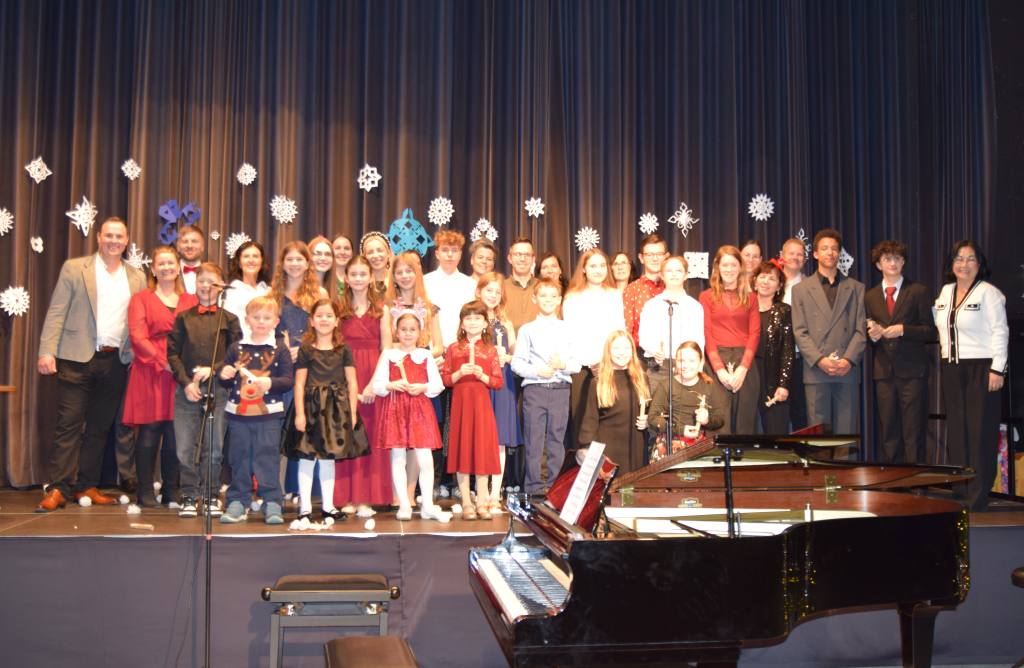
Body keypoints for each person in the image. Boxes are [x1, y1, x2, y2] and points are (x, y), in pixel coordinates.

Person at [36, 217, 148, 512]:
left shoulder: (137, 277)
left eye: (119, 236)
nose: (114, 241)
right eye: (109, 235)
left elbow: (139, 322)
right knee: (69, 424)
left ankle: (86, 485)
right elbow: (57, 311)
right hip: (76, 358)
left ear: (127, 241)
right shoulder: (75, 268)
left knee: (99, 428)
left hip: (115, 361)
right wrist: (47, 351)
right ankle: (59, 488)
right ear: (99, 237)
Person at [933, 241, 1008, 511]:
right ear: (951, 264)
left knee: (980, 432)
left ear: (979, 264)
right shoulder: (946, 291)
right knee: (958, 432)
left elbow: (1000, 331)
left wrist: (997, 368)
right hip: (952, 369)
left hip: (982, 369)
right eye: (959, 259)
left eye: (970, 259)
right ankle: (961, 489)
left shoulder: (989, 293)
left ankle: (978, 494)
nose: (964, 264)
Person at [122, 246, 198, 507]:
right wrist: (163, 361)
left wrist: (181, 366)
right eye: (161, 264)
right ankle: (144, 490)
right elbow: (137, 336)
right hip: (151, 371)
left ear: (178, 268)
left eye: (171, 263)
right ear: (153, 269)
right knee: (150, 430)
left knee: (176, 433)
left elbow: (197, 335)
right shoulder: (141, 299)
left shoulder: (190, 300)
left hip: (180, 373)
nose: (166, 267)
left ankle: (171, 489)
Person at [168, 262, 241, 518]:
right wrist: (187, 382)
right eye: (201, 281)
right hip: (187, 390)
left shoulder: (229, 319)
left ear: (221, 287)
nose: (206, 286)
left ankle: (210, 494)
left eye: (212, 281)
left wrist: (215, 369)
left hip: (218, 389)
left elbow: (236, 354)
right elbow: (173, 354)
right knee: (185, 446)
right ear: (194, 284)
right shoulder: (183, 318)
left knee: (214, 446)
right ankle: (189, 494)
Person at [217, 295, 294, 524]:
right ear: (247, 320)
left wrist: (270, 383)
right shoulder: (236, 348)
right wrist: (224, 374)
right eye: (256, 317)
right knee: (238, 456)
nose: (261, 321)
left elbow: (288, 381)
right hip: (239, 415)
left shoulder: (280, 350)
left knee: (267, 456)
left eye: (267, 318)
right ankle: (237, 501)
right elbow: (225, 381)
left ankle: (272, 501)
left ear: (276, 322)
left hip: (268, 415)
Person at [284, 298, 362, 522]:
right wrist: (300, 413)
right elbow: (299, 383)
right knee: (307, 458)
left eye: (329, 315)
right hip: (310, 408)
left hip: (335, 411)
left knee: (329, 458)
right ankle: (305, 508)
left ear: (337, 321)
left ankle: (328, 506)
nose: (324, 319)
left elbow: (352, 382)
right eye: (319, 316)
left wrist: (352, 412)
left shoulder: (343, 350)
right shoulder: (306, 350)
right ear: (311, 321)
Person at [371, 310, 451, 522]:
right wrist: (392, 385)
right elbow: (377, 385)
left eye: (412, 329)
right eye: (403, 329)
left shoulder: (425, 355)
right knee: (398, 458)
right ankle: (404, 504)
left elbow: (437, 385)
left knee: (425, 460)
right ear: (396, 332)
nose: (408, 333)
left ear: (419, 332)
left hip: (419, 411)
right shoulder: (388, 355)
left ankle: (428, 505)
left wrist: (422, 387)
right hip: (396, 410)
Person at [865, 240, 937, 463]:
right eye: (887, 259)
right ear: (878, 264)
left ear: (904, 262)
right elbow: (868, 333)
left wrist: (904, 330)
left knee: (913, 431)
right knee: (889, 431)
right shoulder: (870, 296)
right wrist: (873, 335)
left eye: (897, 258)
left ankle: (915, 479)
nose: (893, 263)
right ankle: (892, 479)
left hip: (913, 372)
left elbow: (931, 331)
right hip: (884, 373)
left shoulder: (918, 291)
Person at [791, 229, 866, 435]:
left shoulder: (856, 288)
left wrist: (848, 360)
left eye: (834, 249)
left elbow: (860, 330)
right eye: (824, 248)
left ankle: (845, 461)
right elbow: (800, 331)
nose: (830, 252)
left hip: (846, 370)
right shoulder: (801, 290)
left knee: (845, 434)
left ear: (839, 253)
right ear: (815, 254)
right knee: (818, 435)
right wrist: (820, 360)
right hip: (816, 370)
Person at [511, 279, 581, 495]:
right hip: (536, 390)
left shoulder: (568, 328)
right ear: (534, 298)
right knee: (534, 439)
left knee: (556, 440)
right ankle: (533, 488)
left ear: (559, 300)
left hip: (560, 389)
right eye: (543, 296)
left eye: (553, 296)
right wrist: (537, 371)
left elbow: (577, 364)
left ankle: (554, 488)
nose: (548, 300)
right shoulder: (527, 330)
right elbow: (517, 363)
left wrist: (563, 365)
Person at [334, 256, 392, 518]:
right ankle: (347, 495)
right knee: (347, 434)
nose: (358, 279)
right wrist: (346, 385)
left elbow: (386, 349)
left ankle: (366, 497)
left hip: (373, 376)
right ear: (346, 278)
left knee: (369, 435)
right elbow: (334, 347)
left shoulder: (381, 310)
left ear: (371, 278)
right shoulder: (338, 309)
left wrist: (372, 385)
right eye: (353, 274)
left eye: (362, 274)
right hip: (345, 374)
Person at [271, 241, 329, 500]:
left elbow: (326, 330)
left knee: (307, 428)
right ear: (282, 263)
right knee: (280, 428)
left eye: (299, 259)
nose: (294, 264)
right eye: (290, 259)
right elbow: (266, 331)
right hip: (281, 370)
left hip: (310, 368)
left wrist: (304, 350)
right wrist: (284, 351)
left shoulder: (319, 294)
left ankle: (307, 491)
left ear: (308, 263)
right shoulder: (273, 295)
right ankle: (276, 490)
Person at [442, 301, 503, 520]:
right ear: (461, 323)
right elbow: (446, 379)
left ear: (486, 323)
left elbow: (497, 382)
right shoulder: (454, 348)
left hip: (481, 405)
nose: (473, 322)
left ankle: (482, 501)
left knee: (481, 450)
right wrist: (459, 373)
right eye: (468, 318)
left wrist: (482, 375)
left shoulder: (490, 349)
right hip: (461, 405)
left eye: (477, 318)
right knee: (463, 449)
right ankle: (466, 502)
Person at [562, 249, 626, 446]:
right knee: (582, 422)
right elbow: (570, 336)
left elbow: (618, 332)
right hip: (582, 368)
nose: (598, 270)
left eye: (602, 265)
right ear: (583, 269)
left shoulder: (614, 295)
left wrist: (606, 361)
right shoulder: (572, 298)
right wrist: (590, 362)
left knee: (608, 421)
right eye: (593, 266)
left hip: (610, 367)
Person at [700, 245, 761, 435]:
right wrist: (719, 370)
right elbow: (706, 333)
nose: (729, 269)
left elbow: (755, 333)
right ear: (717, 267)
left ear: (740, 267)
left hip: (745, 364)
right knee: (719, 424)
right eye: (725, 265)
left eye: (733, 265)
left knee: (745, 425)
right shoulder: (706, 296)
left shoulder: (751, 298)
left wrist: (743, 369)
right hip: (715, 362)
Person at [477, 272, 522, 507]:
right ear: (479, 292)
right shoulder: (472, 320)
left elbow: (516, 354)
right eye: (489, 290)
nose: (493, 295)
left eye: (497, 291)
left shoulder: (505, 324)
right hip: (479, 384)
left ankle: (495, 494)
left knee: (499, 439)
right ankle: (481, 492)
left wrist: (508, 357)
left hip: (502, 383)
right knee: (480, 437)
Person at [577, 331, 651, 473]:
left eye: (626, 348)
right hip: (609, 453)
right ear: (608, 352)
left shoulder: (642, 379)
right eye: (616, 348)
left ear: (632, 351)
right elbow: (590, 420)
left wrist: (648, 420)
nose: (621, 352)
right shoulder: (598, 383)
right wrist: (588, 449)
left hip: (637, 450)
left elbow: (651, 411)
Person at [648, 341, 726, 460]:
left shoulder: (708, 386)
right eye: (681, 361)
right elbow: (653, 418)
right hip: (668, 447)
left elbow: (720, 419)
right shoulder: (666, 385)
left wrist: (707, 421)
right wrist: (680, 430)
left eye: (691, 361)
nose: (685, 365)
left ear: (701, 363)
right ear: (675, 362)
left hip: (698, 447)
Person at [637, 255, 704, 375]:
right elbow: (644, 337)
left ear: (686, 275)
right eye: (669, 271)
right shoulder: (651, 305)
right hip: (658, 364)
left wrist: (699, 367)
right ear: (662, 275)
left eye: (678, 270)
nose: (674, 274)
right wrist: (655, 351)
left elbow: (699, 339)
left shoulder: (694, 306)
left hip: (687, 365)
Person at [752, 261, 795, 434]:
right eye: (762, 277)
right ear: (755, 281)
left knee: (776, 431)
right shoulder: (744, 308)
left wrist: (783, 383)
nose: (766, 282)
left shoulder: (784, 310)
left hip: (774, 377)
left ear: (779, 286)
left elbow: (788, 350)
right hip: (748, 374)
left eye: (772, 279)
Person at [381, 252, 444, 357]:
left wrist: (420, 358)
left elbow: (438, 348)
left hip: (423, 363)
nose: (405, 276)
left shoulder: (430, 308)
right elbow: (386, 347)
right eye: (399, 272)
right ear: (394, 278)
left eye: (409, 271)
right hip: (396, 363)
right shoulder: (388, 308)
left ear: (416, 274)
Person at [424, 229, 477, 349]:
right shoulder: (425, 282)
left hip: (462, 348)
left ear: (460, 254)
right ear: (437, 254)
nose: (449, 254)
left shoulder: (471, 285)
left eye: (454, 250)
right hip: (431, 349)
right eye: (445, 250)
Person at [780, 237, 809, 429]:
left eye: (800, 254)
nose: (795, 257)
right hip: (775, 357)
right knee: (777, 413)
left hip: (800, 357)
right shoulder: (771, 281)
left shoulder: (812, 285)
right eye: (791, 253)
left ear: (805, 259)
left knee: (800, 412)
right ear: (782, 256)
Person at [622, 233, 668, 350]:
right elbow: (627, 329)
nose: (655, 258)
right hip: (640, 354)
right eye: (649, 254)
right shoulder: (631, 289)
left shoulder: (673, 287)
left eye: (659, 254)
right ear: (641, 258)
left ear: (666, 257)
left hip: (671, 353)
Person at [222, 240, 271, 340]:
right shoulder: (230, 292)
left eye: (255, 256)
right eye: (246, 256)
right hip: (240, 345)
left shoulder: (269, 292)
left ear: (262, 262)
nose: (251, 260)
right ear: (239, 263)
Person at [503, 237, 539, 330]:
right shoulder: (499, 288)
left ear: (533, 259)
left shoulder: (543, 287)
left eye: (527, 255)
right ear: (509, 258)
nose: (522, 259)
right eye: (518, 254)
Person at [176, 224, 206, 295]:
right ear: (178, 247)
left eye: (194, 241)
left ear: (202, 247)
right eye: (185, 242)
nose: (190, 246)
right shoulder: (169, 273)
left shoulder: (212, 274)